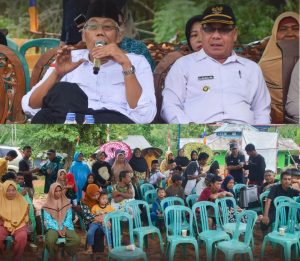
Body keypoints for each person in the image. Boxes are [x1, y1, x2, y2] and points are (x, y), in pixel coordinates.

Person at [22, 0, 156, 124]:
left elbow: (145, 116)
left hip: (112, 121)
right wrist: (56, 74)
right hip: (71, 119)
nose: (100, 32)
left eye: (108, 27)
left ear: (119, 35)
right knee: (63, 92)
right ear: (83, 35)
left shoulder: (137, 62)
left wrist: (126, 65)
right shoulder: (70, 57)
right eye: (93, 27)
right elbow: (30, 106)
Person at [161, 4, 271, 124]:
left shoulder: (251, 69)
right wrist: (191, 130)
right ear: (202, 33)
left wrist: (258, 137)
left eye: (224, 29)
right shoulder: (183, 66)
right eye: (209, 29)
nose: (216, 36)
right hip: (199, 135)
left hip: (244, 133)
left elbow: (262, 112)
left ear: (234, 34)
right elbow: (170, 106)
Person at [259, 12, 299, 123]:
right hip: (271, 124)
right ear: (275, 34)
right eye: (283, 29)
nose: (289, 33)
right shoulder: (263, 67)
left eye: (296, 29)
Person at [42, 183, 80, 259]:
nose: (59, 193)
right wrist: (58, 229)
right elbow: (48, 220)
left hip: (66, 226)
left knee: (76, 240)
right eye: (56, 191)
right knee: (50, 241)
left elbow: (69, 217)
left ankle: (65, 249)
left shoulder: (66, 202)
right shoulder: (47, 205)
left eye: (60, 190)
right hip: (53, 227)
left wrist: (65, 228)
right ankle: (55, 253)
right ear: (52, 192)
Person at [0, 180, 29, 261]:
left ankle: (17, 257)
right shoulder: (1, 199)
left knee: (22, 236)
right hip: (3, 224)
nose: (11, 192)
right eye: (8, 190)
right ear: (4, 190)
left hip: (19, 225)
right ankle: (1, 255)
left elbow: (25, 213)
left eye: (13, 190)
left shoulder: (21, 199)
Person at [80, 183, 105, 254]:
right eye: (94, 195)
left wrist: (103, 219)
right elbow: (87, 215)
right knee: (97, 230)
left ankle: (101, 250)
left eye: (98, 194)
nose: (97, 197)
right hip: (89, 222)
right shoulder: (84, 202)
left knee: (106, 228)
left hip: (100, 220)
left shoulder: (99, 200)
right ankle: (93, 250)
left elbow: (105, 209)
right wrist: (97, 218)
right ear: (89, 194)